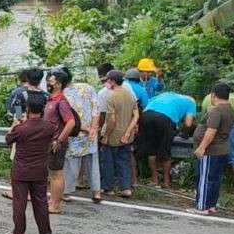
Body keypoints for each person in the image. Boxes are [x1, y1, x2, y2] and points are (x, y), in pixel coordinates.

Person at [5, 93, 55, 234]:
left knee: (19, 203)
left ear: (27, 108)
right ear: (43, 109)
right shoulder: (49, 127)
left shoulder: (21, 128)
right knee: (41, 202)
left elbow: (8, 139)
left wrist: (15, 124)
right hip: (39, 170)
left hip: (21, 170)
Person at [191, 82, 234, 215]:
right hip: (222, 149)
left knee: (205, 178)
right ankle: (211, 205)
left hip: (211, 150)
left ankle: (201, 206)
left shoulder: (217, 110)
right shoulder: (230, 110)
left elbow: (211, 131)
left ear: (213, 95)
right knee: (215, 179)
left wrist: (201, 147)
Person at [2, 69, 49, 201]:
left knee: (18, 161)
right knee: (36, 160)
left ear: (27, 78)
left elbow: (16, 116)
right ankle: (34, 192)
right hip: (40, 130)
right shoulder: (46, 95)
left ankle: (16, 191)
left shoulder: (19, 93)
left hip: (23, 131)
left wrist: (12, 131)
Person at [140, 92, 197, 188]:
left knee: (151, 151)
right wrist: (184, 133)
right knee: (165, 151)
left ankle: (154, 180)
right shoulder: (191, 103)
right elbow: (188, 124)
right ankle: (166, 182)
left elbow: (146, 104)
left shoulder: (166, 94)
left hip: (146, 115)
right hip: (165, 119)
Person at [98, 70, 139, 198]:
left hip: (114, 134)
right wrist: (128, 132)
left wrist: (106, 136)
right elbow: (136, 115)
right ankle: (125, 188)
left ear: (112, 81)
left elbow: (111, 120)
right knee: (124, 161)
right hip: (127, 135)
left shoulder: (110, 96)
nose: (106, 83)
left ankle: (108, 188)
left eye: (108, 80)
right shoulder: (130, 95)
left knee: (108, 161)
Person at [63, 78, 102, 203]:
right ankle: (97, 192)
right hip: (90, 133)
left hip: (75, 133)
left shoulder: (63, 93)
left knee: (71, 164)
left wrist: (83, 128)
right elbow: (96, 110)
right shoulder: (89, 87)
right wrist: (93, 128)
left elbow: (67, 117)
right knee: (93, 163)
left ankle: (66, 191)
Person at [45, 68, 77, 214]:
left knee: (57, 174)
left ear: (58, 84)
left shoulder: (61, 101)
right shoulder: (51, 99)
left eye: (51, 81)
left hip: (56, 143)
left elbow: (70, 122)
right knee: (52, 174)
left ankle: (56, 205)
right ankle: (52, 201)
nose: (48, 83)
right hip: (49, 141)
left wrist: (59, 140)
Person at [201, 91, 234, 197]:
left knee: (214, 154)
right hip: (233, 126)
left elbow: (204, 115)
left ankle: (211, 187)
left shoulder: (207, 98)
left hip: (214, 126)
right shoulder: (232, 97)